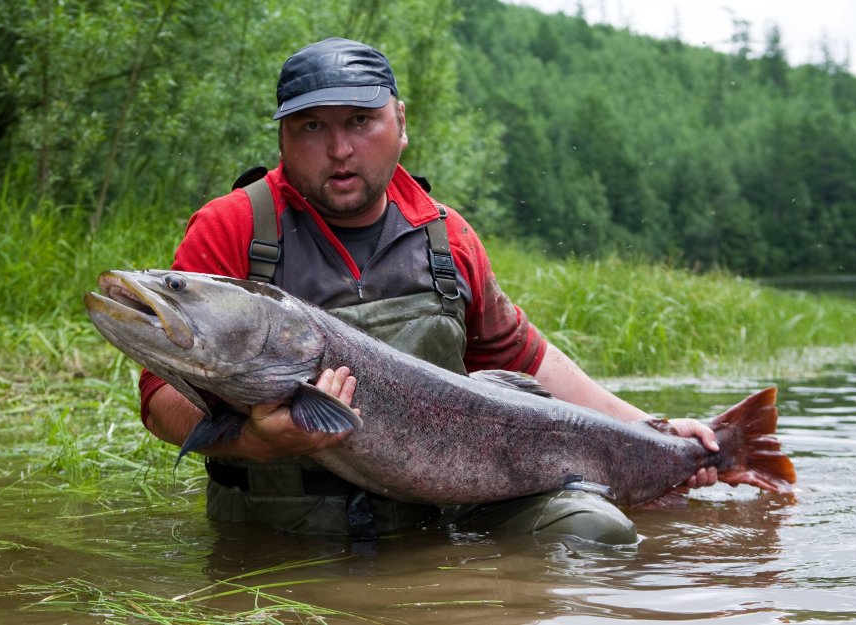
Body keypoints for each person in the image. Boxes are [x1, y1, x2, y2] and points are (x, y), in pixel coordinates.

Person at [139, 37, 718, 545]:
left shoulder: (447, 236)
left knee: (598, 531)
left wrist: (655, 431)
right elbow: (159, 397)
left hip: (436, 523)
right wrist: (255, 443)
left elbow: (526, 360)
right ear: (284, 136)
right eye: (312, 126)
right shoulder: (231, 226)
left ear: (400, 122)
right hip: (280, 532)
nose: (339, 149)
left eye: (360, 122)